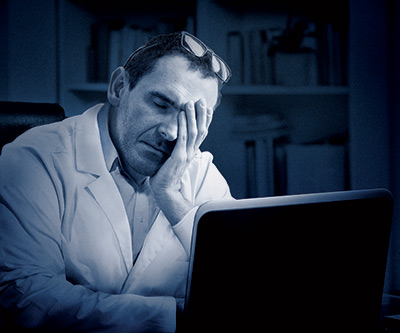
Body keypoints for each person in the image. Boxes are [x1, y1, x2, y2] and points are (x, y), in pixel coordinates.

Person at [0, 31, 233, 332]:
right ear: (119, 87)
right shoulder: (34, 159)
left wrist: (171, 196)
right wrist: (174, 317)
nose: (173, 133)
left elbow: (243, 286)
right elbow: (28, 299)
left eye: (192, 119)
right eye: (161, 104)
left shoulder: (200, 171)